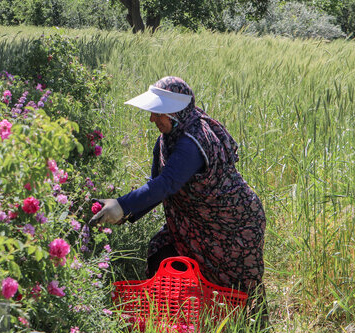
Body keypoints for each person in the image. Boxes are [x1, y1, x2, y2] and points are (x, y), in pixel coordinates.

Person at [90, 76, 267, 316]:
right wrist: (124, 213)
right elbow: (155, 186)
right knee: (162, 253)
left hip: (233, 223)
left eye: (157, 113)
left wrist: (121, 206)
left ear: (175, 113)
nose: (152, 119)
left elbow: (167, 184)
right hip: (198, 222)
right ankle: (174, 320)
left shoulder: (192, 143)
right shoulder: (167, 139)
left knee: (236, 288)